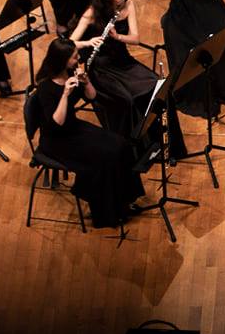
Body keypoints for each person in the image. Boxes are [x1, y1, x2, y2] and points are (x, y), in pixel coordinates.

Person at [29, 36, 143, 228]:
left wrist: (86, 81)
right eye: (74, 57)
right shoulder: (46, 87)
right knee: (104, 157)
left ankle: (124, 200)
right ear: (62, 59)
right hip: (57, 140)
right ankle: (106, 213)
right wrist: (65, 95)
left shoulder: (71, 71)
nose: (78, 59)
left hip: (73, 128)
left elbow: (92, 96)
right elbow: (56, 123)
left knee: (120, 144)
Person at [70, 0, 180, 161]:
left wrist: (117, 37)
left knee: (158, 86)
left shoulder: (127, 5)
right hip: (101, 68)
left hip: (123, 61)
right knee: (127, 99)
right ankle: (136, 152)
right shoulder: (91, 13)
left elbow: (135, 39)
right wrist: (89, 42)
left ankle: (164, 144)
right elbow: (70, 43)